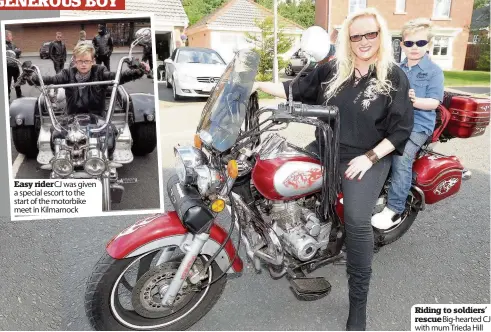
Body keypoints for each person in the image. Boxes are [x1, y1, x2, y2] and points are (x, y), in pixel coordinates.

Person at [252, 8, 414, 330]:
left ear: (380, 36)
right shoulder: (332, 70)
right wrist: (250, 84)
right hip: (326, 147)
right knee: (278, 174)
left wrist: (369, 157)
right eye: (356, 36)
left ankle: (358, 305)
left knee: (356, 219)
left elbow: (400, 130)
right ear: (347, 40)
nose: (364, 41)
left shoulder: (393, 76)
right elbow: (291, 90)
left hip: (367, 156)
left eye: (371, 34)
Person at [371, 18, 444, 230]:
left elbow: (434, 102)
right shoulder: (398, 68)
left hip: (419, 125)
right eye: (409, 43)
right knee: (370, 144)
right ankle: (373, 190)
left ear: (429, 44)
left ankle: (395, 208)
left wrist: (415, 101)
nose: (414, 47)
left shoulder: (433, 71)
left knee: (401, 157)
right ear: (402, 44)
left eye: (420, 43)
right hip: (395, 121)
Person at [27, 43, 150, 116]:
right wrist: (33, 77)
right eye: (80, 61)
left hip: (97, 115)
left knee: (109, 137)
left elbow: (117, 77)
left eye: (86, 61)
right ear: (75, 61)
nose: (83, 64)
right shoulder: (67, 73)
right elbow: (50, 79)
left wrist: (138, 72)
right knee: (57, 136)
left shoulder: (100, 71)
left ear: (93, 61)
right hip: (72, 115)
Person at [5, 30, 23, 100]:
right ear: (6, 36)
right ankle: (7, 97)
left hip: (15, 66)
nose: (12, 37)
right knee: (7, 83)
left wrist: (17, 51)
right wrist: (15, 51)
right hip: (8, 66)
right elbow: (10, 53)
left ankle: (19, 95)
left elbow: (18, 52)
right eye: (10, 36)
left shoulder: (13, 44)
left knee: (18, 81)